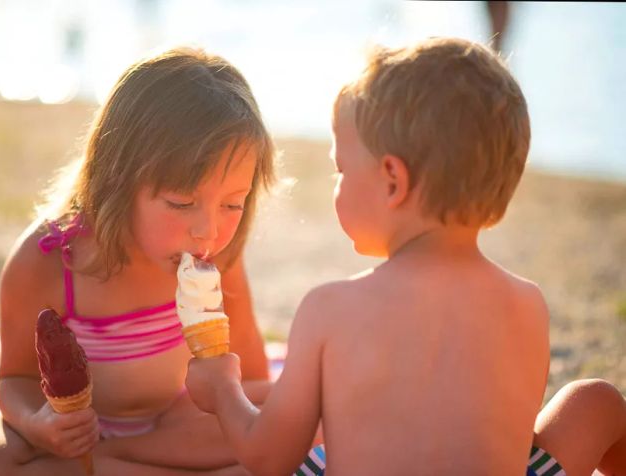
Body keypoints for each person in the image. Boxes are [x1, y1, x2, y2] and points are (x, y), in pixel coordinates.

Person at [186, 37, 556, 475]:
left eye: (341, 169)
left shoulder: (330, 310)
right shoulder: (528, 304)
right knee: (592, 402)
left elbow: (267, 457)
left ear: (393, 180)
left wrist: (223, 389)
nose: (337, 183)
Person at [0, 47, 276, 476]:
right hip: (69, 434)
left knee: (294, 419)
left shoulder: (219, 257)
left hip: (172, 426)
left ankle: (107, 465)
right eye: (181, 202)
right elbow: (16, 381)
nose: (208, 231)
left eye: (233, 204)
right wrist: (40, 423)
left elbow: (251, 380)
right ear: (116, 181)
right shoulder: (47, 263)